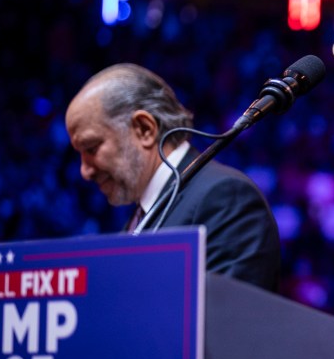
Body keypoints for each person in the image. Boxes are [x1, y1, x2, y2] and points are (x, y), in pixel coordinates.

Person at [65, 63, 282, 292]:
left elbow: (231, 310)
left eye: (91, 148)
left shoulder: (226, 199)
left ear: (144, 129)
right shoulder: (138, 220)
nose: (85, 171)